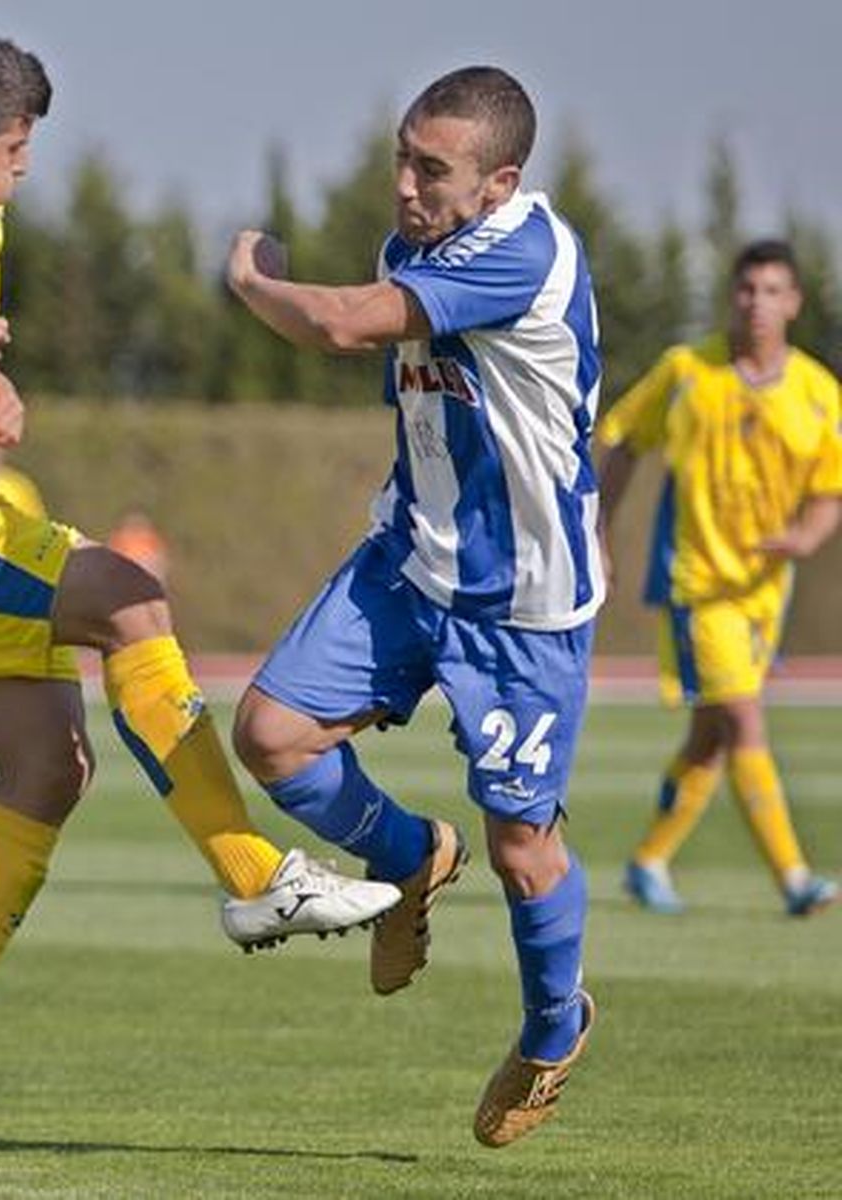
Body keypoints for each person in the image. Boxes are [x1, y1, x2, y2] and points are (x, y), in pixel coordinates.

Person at [0, 35, 400, 1153]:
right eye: (14, 149)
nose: (24, 169)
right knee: (126, 592)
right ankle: (255, 875)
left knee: (49, 768)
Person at [225, 66, 601, 1148]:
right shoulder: (415, 247)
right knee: (271, 733)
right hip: (408, 558)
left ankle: (549, 1029)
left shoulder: (523, 253)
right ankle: (408, 857)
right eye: (401, 156)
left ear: (500, 183)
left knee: (525, 847)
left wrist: (251, 278)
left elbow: (344, 325)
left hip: (522, 602)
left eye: (429, 169)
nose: (401, 186)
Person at [596, 239, 841, 918]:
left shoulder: (819, 394)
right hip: (697, 584)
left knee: (710, 735)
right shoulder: (686, 372)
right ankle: (795, 879)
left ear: (794, 302)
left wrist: (806, 536)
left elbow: (831, 488)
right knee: (743, 718)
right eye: (746, 288)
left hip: (765, 590)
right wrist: (600, 531)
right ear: (730, 295)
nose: (756, 302)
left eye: (771, 290)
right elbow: (622, 441)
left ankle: (648, 861)